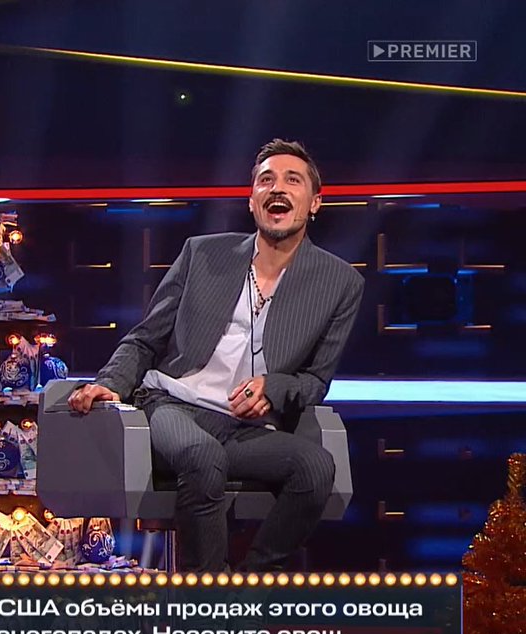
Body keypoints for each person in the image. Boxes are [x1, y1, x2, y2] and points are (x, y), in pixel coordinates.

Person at [68, 139, 363, 572]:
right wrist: (109, 383)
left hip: (247, 428)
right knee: (203, 459)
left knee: (317, 467)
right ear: (252, 200)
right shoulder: (203, 253)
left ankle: (248, 588)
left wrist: (274, 388)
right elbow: (146, 337)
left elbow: (315, 381)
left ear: (315, 202)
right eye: (266, 180)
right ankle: (206, 600)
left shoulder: (340, 283)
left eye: (292, 180)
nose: (277, 189)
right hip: (172, 405)